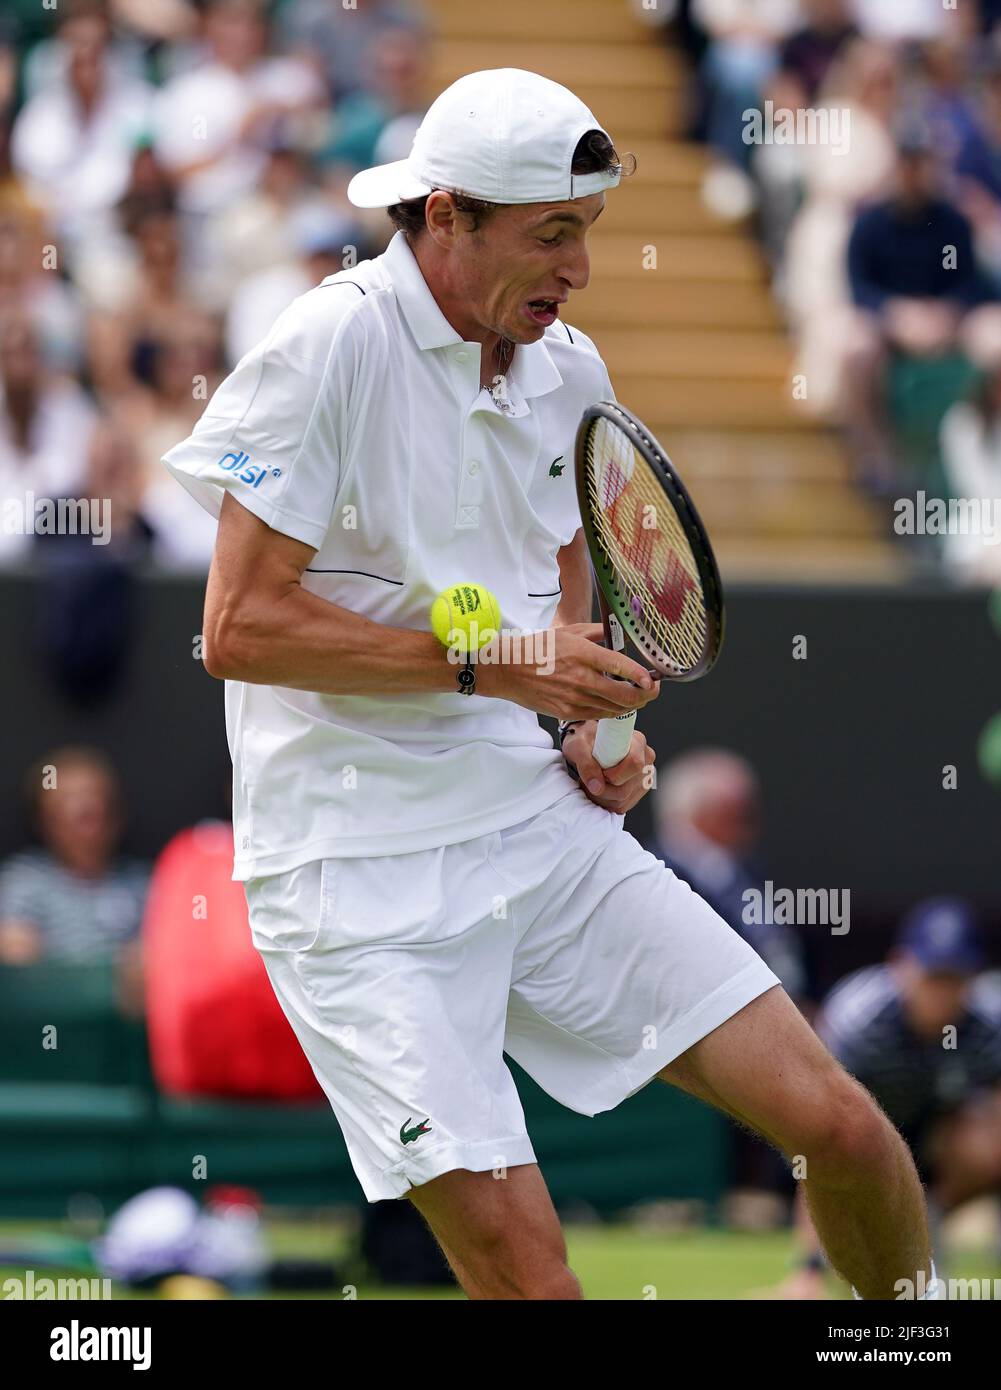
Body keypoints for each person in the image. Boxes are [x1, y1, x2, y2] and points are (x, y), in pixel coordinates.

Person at [161, 67, 941, 1301]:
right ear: (446, 215)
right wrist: (495, 664)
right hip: (354, 883)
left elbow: (580, 547)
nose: (578, 268)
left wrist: (591, 718)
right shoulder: (327, 345)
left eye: (586, 234)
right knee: (533, 1280)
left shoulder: (566, 368)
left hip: (533, 828)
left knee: (839, 1130)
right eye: (552, 235)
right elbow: (237, 627)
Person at [774, 898, 1001, 1298]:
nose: (942, 992)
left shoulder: (990, 1021)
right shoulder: (858, 1018)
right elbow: (817, 1136)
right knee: (834, 1141)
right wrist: (808, 1271)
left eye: (954, 978)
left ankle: (926, 1221)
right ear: (901, 965)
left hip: (941, 1140)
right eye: (933, 976)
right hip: (864, 1136)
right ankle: (832, 1260)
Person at [0, 746, 149, 967]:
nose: (87, 807)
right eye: (69, 801)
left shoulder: (144, 883)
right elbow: (21, 969)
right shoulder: (23, 882)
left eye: (97, 799)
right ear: (44, 820)